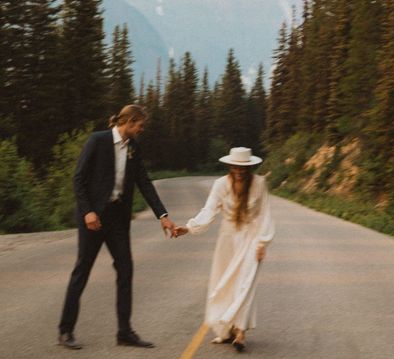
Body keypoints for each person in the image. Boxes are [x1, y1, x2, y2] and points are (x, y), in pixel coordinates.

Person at [58, 104, 175, 350]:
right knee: (82, 271)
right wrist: (88, 211)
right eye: (140, 125)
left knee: (126, 269)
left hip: (118, 219)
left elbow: (144, 182)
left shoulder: (134, 147)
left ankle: (124, 332)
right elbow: (78, 178)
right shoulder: (97, 141)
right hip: (93, 218)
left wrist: (162, 215)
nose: (142, 130)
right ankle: (65, 331)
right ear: (129, 121)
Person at [174, 147, 274, 353]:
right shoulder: (220, 185)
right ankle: (226, 329)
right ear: (230, 166)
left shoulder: (259, 184)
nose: (239, 171)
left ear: (250, 167)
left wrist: (263, 242)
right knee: (225, 282)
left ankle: (241, 333)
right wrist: (189, 227)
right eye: (235, 167)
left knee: (246, 283)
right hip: (228, 238)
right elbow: (209, 209)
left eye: (243, 168)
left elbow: (265, 213)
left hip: (252, 236)